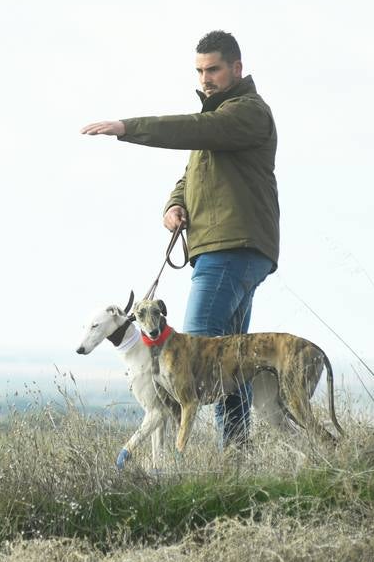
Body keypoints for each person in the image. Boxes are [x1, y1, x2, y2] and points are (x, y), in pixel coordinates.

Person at [80, 30, 280, 449]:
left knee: (192, 356)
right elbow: (190, 176)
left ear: (237, 69)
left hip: (233, 249)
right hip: (222, 249)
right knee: (231, 361)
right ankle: (235, 456)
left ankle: (189, 455)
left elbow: (191, 130)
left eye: (214, 69)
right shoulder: (215, 123)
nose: (205, 78)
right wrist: (173, 206)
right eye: (200, 71)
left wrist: (126, 127)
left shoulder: (245, 113)